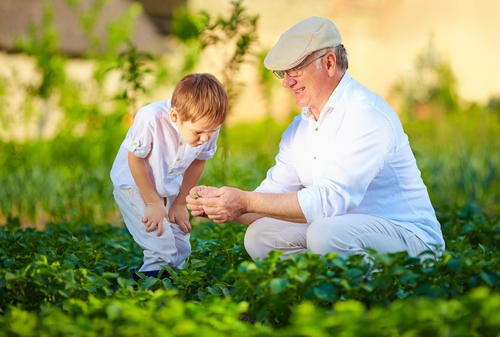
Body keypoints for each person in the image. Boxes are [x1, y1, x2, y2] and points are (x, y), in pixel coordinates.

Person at [186, 17, 444, 260]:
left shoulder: (367, 114)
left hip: (409, 239)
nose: (287, 83)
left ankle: (371, 300)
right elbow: (270, 196)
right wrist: (221, 204)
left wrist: (243, 201)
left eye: (294, 70)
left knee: (325, 234)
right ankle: (314, 297)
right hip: (341, 230)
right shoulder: (301, 127)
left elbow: (331, 200)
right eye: (282, 74)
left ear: (329, 62)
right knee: (260, 236)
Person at [110, 73, 228, 278]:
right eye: (199, 132)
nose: (206, 138)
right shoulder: (150, 118)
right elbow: (135, 160)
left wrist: (180, 203)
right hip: (134, 185)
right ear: (175, 117)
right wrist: (152, 203)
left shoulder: (207, 126)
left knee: (181, 246)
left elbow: (199, 162)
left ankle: (172, 286)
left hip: (167, 184)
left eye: (213, 131)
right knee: (161, 245)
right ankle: (151, 294)